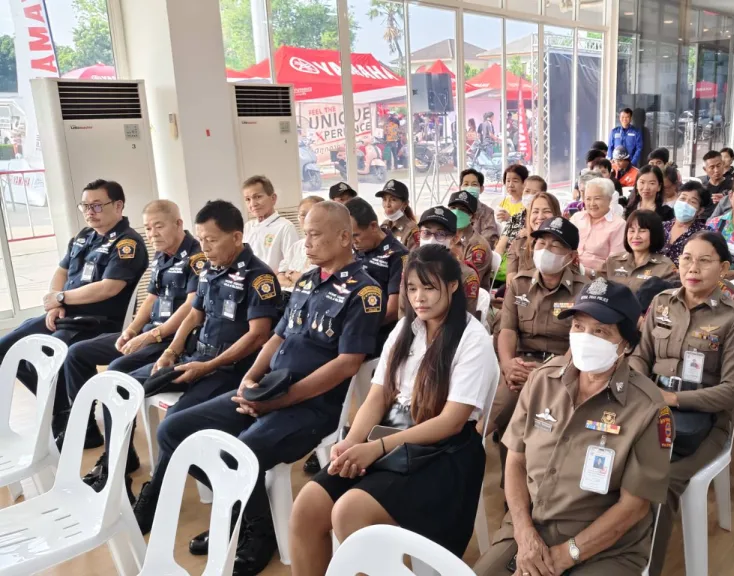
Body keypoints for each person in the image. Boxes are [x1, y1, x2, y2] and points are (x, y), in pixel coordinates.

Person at [132, 201, 382, 576]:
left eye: (315, 235)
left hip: (311, 407)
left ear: (345, 237)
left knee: (241, 450)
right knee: (174, 431)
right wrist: (250, 380)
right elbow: (276, 338)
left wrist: (280, 400)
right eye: (305, 235)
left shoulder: (364, 292)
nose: (306, 244)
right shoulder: (307, 281)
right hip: (267, 391)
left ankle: (256, 534)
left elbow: (346, 364)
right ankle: (241, 512)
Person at [290, 245, 497, 574]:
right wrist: (353, 441)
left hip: (443, 452)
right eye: (412, 288)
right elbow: (378, 396)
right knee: (307, 507)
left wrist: (376, 448)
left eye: (429, 287)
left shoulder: (473, 340)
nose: (419, 298)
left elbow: (451, 422)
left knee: (350, 512)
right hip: (391, 435)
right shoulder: (405, 330)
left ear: (453, 286)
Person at [475, 278, 671, 576]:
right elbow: (516, 460)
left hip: (605, 547)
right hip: (531, 526)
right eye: (578, 326)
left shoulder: (647, 408)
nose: (585, 338)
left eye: (600, 331)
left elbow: (633, 507)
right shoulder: (543, 380)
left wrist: (563, 557)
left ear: (627, 344)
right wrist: (525, 534)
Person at [630, 231, 734, 576]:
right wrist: (645, 391)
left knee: (661, 485)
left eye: (705, 261)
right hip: (650, 406)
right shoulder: (661, 302)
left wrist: (674, 399)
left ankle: (649, 567)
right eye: (687, 259)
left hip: (705, 423)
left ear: (723, 269)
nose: (693, 268)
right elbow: (639, 357)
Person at [64, 199, 200, 489]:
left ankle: (119, 459)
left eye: (158, 226)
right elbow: (151, 299)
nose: (152, 234)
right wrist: (131, 330)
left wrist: (150, 336)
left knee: (116, 371)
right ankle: (90, 432)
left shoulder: (196, 257)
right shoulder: (162, 256)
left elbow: (191, 307)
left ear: (178, 224)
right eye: (148, 228)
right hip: (148, 334)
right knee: (77, 353)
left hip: (172, 340)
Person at [0, 179, 147, 445]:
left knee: (47, 357)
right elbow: (61, 272)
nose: (90, 212)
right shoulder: (83, 237)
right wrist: (56, 303)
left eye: (97, 206)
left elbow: (109, 288)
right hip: (64, 316)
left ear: (118, 206)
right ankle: (62, 413)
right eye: (85, 206)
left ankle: (81, 426)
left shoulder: (127, 243)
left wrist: (61, 298)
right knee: (7, 348)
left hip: (96, 322)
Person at [129, 200, 281, 435]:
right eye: (201, 239)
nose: (205, 247)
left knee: (172, 425)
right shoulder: (209, 268)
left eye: (211, 240)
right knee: (123, 386)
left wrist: (208, 366)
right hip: (196, 357)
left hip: (227, 369)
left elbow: (257, 336)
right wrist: (171, 351)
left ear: (236, 237)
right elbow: (194, 315)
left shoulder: (259, 277)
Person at [491, 217, 587, 480]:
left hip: (562, 369)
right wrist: (508, 365)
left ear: (571, 255)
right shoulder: (519, 284)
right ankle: (510, 487)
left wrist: (549, 374)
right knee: (501, 412)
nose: (545, 250)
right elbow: (508, 330)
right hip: (521, 365)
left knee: (546, 423)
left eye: (555, 246)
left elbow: (579, 341)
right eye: (541, 243)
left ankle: (542, 485)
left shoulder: (583, 290)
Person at [347, 197, 407, 354]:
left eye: (356, 235)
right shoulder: (357, 249)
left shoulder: (398, 255)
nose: (353, 242)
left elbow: (393, 310)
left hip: (378, 333)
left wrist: (356, 329)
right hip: (351, 324)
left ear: (373, 226)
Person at [418, 206, 481, 314]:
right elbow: (404, 312)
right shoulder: (411, 268)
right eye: (426, 233)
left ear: (454, 240)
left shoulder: (466, 275)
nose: (431, 240)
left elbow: (465, 317)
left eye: (441, 234)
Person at [606, 210, 677, 292]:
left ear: (654, 234)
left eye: (642, 231)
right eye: (632, 231)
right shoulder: (613, 261)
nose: (635, 236)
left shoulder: (666, 267)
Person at [241, 175, 300, 272]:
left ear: (273, 198)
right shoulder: (248, 226)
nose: (253, 204)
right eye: (248, 199)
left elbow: (293, 264)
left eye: (258, 197)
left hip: (272, 279)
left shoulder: (285, 227)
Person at [570, 177, 627, 273]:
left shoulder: (619, 225)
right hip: (569, 271)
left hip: (596, 277)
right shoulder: (576, 218)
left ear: (609, 199)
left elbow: (615, 264)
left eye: (597, 198)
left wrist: (588, 272)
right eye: (588, 199)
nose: (592, 203)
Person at [506, 192, 561, 278]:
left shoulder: (564, 246)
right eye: (535, 212)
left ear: (556, 215)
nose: (540, 217)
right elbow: (511, 280)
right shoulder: (519, 243)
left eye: (547, 211)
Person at [278, 195, 323, 290]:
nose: (307, 219)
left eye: (311, 214)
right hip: (287, 295)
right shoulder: (296, 246)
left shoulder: (328, 247)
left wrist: (291, 276)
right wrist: (293, 280)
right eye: (303, 215)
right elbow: (280, 276)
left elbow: (315, 282)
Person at [661, 180, 709, 266]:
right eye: (682, 198)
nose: (685, 204)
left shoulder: (703, 234)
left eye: (692, 202)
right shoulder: (661, 227)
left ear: (700, 210)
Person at [449, 190, 494, 282]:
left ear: (473, 217)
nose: (457, 212)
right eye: (453, 208)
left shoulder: (478, 246)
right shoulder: (444, 236)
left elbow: (467, 279)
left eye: (463, 210)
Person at [460, 168, 500, 247]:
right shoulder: (453, 210)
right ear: (460, 187)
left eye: (474, 184)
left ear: (481, 189)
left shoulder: (488, 212)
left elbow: (488, 239)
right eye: (466, 184)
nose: (469, 187)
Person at [378, 179, 419, 250]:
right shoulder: (384, 225)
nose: (387, 204)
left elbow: (414, 256)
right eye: (384, 199)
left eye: (393, 200)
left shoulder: (411, 231)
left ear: (405, 204)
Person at [700, 150, 734, 216]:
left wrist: (726, 201)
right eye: (712, 167)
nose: (716, 170)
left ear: (723, 164)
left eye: (718, 166)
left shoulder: (733, 186)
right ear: (705, 169)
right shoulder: (702, 189)